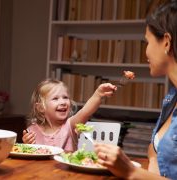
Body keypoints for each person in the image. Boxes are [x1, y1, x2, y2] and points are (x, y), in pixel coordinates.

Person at [94, 1, 177, 179]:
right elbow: (156, 156)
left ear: (167, 43)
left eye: (147, 42)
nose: (145, 52)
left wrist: (131, 171)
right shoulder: (171, 98)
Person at [22, 79, 116, 152]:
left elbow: (85, 111)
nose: (63, 102)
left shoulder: (70, 125)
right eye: (55, 98)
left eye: (65, 97)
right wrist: (27, 145)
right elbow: (29, 156)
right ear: (41, 108)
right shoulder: (32, 130)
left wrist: (98, 94)